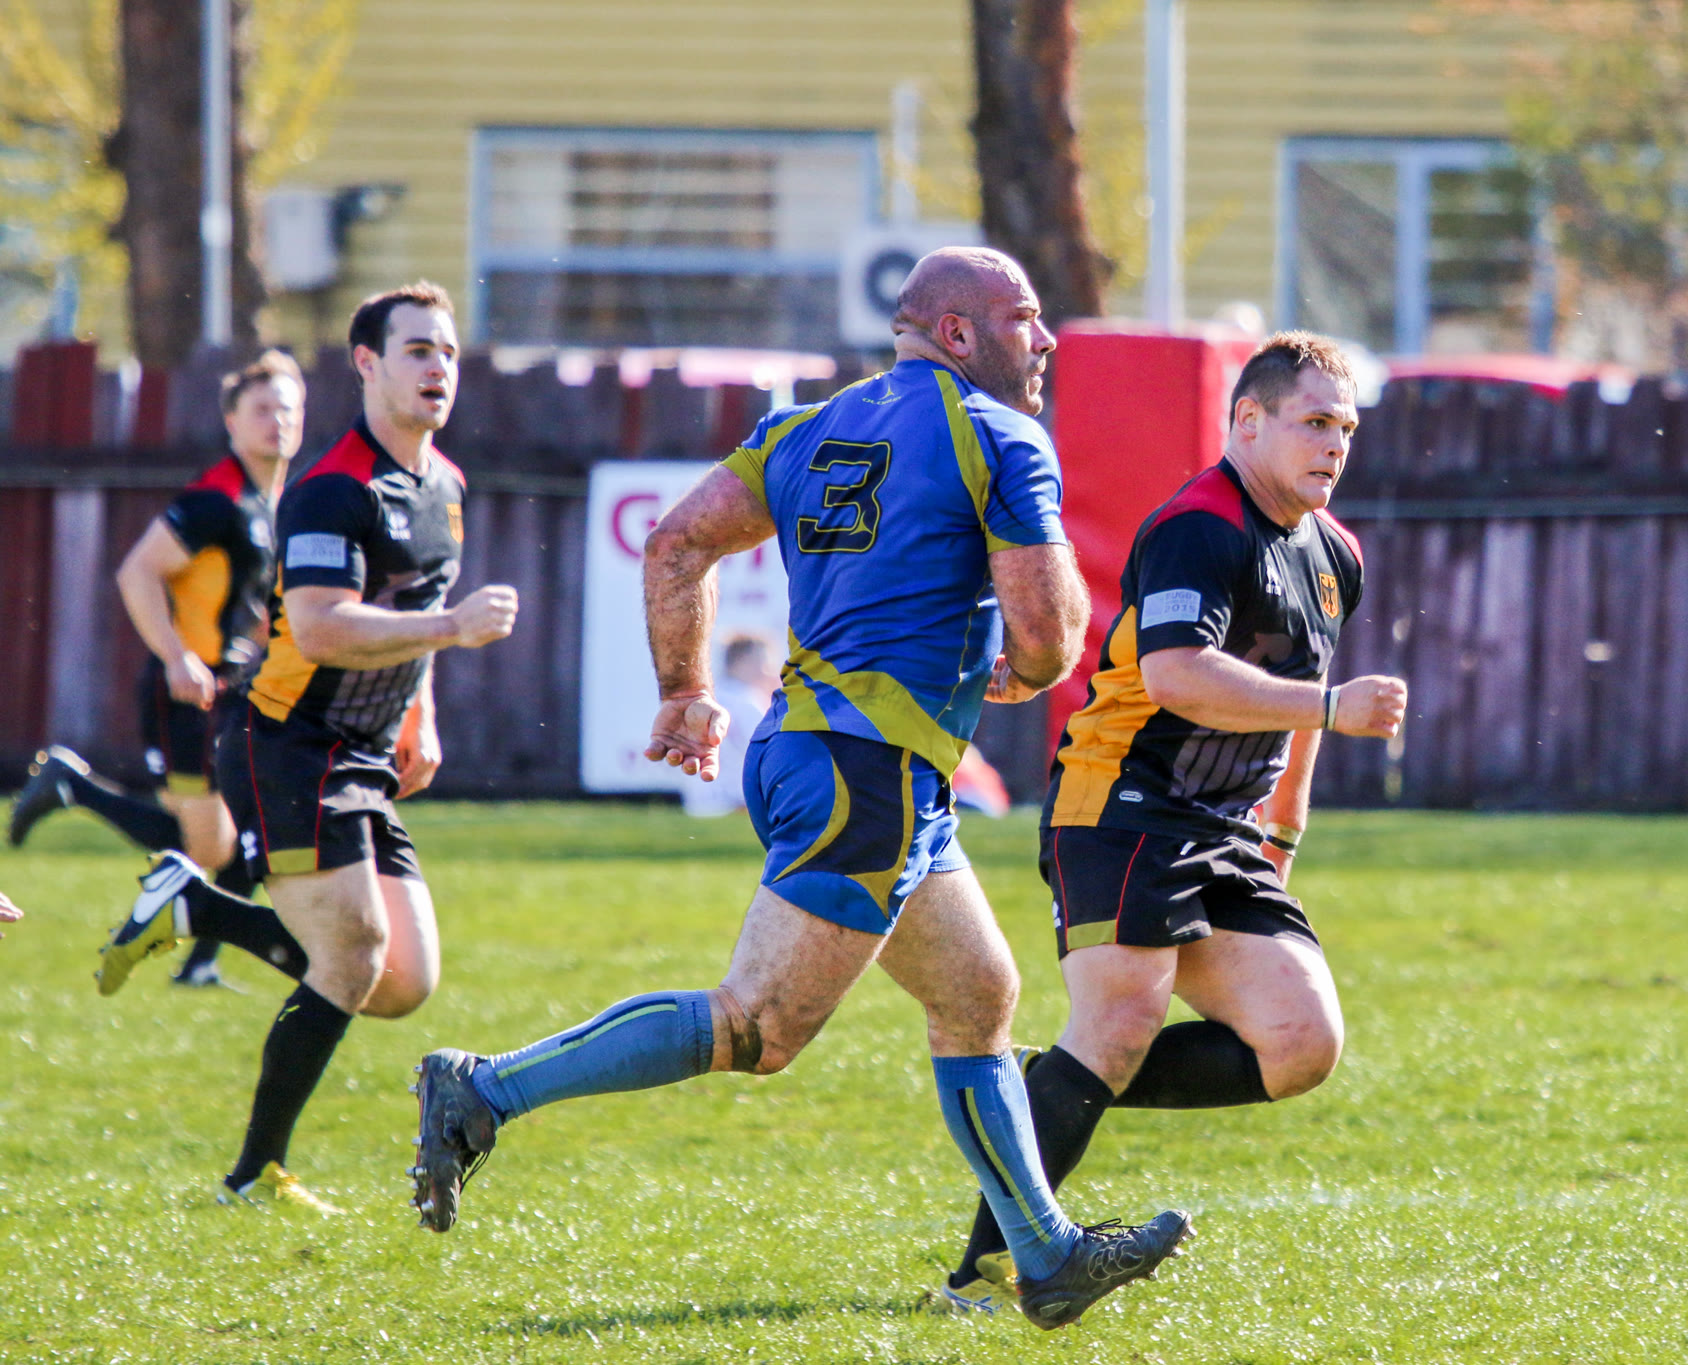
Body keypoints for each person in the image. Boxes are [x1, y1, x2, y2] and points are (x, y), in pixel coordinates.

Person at [407, 247, 1189, 1330]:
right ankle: (483, 1089)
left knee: (978, 996)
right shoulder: (1002, 435)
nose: (1045, 337)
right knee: (757, 1026)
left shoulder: (804, 426)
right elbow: (1052, 640)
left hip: (821, 757)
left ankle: (1045, 1257)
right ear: (958, 334)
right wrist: (1017, 661)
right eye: (1025, 316)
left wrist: (684, 691)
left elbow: (675, 542)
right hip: (868, 774)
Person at [936, 332, 1409, 1311]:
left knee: (1300, 1043)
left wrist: (1281, 838)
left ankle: (1042, 1092)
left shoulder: (1334, 554)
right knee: (1120, 1020)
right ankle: (981, 1276)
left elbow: (1301, 705)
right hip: (1121, 802)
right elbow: (1176, 676)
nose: (1334, 444)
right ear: (1248, 420)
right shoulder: (1198, 525)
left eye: (1347, 428)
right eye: (1314, 421)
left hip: (1225, 830)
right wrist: (1331, 708)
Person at [92, 281, 520, 1212]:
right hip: (286, 738)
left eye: (447, 352)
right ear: (367, 364)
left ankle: (196, 907)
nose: (438, 368)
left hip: (363, 748)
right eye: (417, 350)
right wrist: (452, 629)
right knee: (354, 951)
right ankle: (253, 1175)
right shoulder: (334, 488)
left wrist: (423, 711)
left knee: (403, 982)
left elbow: (410, 609)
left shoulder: (444, 485)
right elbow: (323, 628)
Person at [10, 351, 305, 988]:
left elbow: (233, 594)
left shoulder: (268, 503)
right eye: (262, 409)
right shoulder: (215, 499)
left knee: (249, 824)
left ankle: (199, 967)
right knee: (210, 847)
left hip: (231, 690)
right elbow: (137, 571)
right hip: (186, 695)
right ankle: (73, 787)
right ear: (232, 422)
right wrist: (177, 657)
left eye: (287, 409)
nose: (277, 420)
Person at [679, 632, 778, 818]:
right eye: (764, 662)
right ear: (743, 662)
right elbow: (771, 755)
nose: (770, 671)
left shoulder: (704, 699)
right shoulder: (748, 702)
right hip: (738, 803)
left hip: (699, 803)